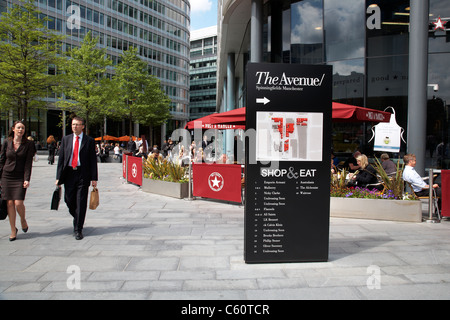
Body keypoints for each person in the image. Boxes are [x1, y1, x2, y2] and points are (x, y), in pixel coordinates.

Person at [55, 116, 98, 240]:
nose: (75, 127)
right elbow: (61, 159)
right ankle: (77, 217)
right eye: (73, 124)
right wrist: (58, 177)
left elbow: (92, 160)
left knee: (81, 201)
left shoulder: (89, 140)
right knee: (68, 200)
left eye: (78, 124)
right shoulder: (66, 139)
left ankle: (78, 229)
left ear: (83, 126)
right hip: (69, 174)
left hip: (82, 174)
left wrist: (94, 178)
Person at [0, 120, 36, 241]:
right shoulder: (6, 142)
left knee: (18, 203)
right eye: (19, 128)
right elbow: (2, 160)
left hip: (20, 176)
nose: (21, 130)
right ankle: (12, 230)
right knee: (9, 203)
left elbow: (28, 163)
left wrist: (27, 179)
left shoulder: (29, 144)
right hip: (6, 176)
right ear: (13, 129)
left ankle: (23, 219)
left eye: (23, 128)